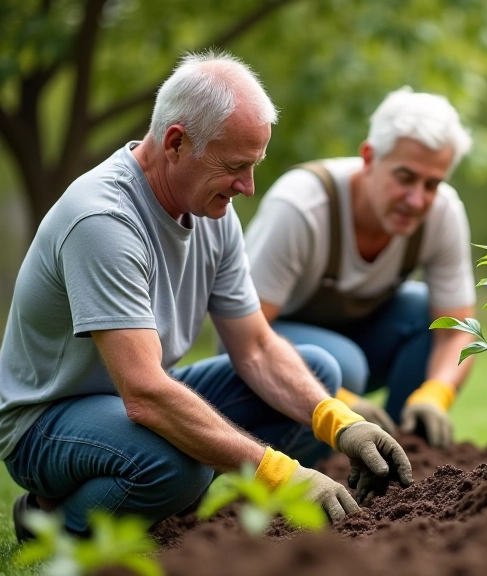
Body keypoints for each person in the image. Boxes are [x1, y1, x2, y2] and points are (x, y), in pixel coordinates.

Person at [0, 52, 412, 541]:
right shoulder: (104, 221)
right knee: (176, 467)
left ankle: (185, 500)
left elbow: (256, 346)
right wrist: (282, 474)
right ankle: (49, 525)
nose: (250, 186)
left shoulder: (212, 212)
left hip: (132, 399)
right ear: (176, 142)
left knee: (319, 372)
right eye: (236, 166)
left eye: (254, 165)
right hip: (49, 420)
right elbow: (146, 393)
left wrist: (340, 422)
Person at [244, 88, 476, 448]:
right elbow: (245, 336)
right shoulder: (303, 205)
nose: (417, 200)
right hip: (265, 345)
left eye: (432, 184)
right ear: (369, 157)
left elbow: (458, 332)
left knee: (426, 315)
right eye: (405, 177)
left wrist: (436, 393)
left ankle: (405, 456)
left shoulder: (443, 212)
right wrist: (343, 404)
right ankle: (321, 465)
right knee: (341, 364)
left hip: (356, 342)